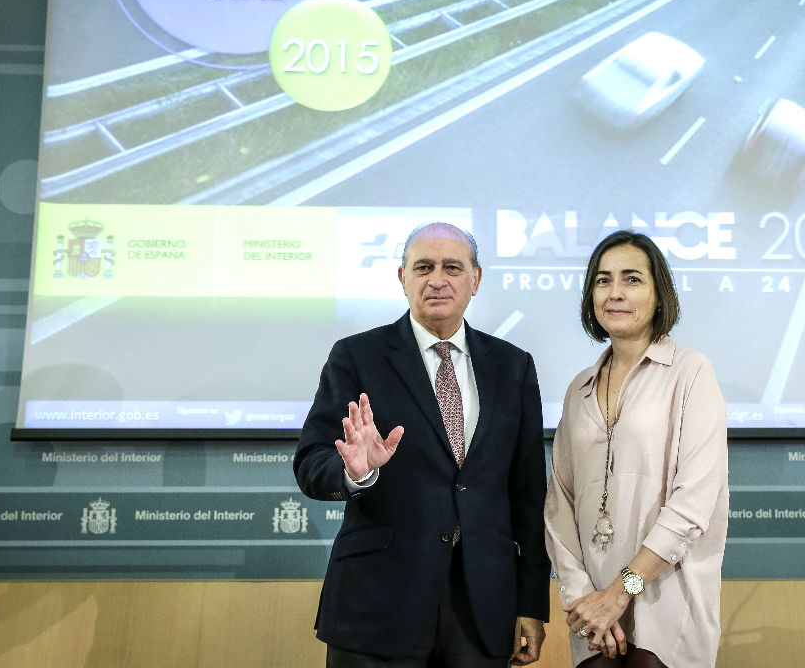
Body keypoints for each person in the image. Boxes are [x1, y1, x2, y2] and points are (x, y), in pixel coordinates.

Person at [294, 222, 550, 667]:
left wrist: (531, 604)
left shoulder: (513, 367)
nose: (437, 279)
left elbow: (527, 496)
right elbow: (311, 462)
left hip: (483, 606)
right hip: (379, 603)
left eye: (452, 267)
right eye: (423, 267)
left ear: (476, 279)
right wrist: (358, 472)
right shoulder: (357, 357)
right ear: (402, 277)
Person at [544, 230, 729, 667]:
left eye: (632, 279)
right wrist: (586, 600)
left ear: (659, 293)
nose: (615, 293)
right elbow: (560, 504)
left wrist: (621, 592)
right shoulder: (579, 389)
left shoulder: (691, 372)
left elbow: (694, 502)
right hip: (594, 622)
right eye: (603, 280)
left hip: (667, 607)